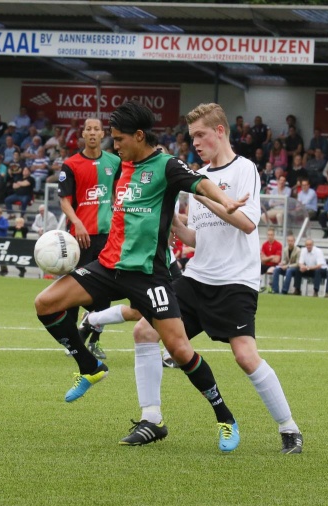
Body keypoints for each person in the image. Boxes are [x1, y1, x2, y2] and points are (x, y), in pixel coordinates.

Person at [33, 101, 247, 451]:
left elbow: (201, 183)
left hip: (149, 275)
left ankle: (225, 418)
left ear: (139, 136)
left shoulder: (166, 165)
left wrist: (226, 202)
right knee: (46, 304)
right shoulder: (121, 167)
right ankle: (89, 366)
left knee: (180, 349)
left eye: (118, 139)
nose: (113, 146)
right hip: (107, 266)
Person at [119, 102, 301, 453]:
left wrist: (207, 195)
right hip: (197, 277)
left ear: (220, 132)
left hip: (235, 281)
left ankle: (289, 428)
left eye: (201, 135)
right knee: (143, 331)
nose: (196, 143)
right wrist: (171, 216)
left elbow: (247, 223)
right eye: (192, 137)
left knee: (246, 356)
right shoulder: (196, 176)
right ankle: (151, 419)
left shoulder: (244, 169)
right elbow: (194, 239)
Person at [56, 117, 121, 358]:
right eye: (88, 129)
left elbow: (119, 193)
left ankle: (94, 340)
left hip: (106, 238)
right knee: (74, 289)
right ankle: (73, 340)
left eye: (96, 129)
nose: (92, 133)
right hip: (79, 237)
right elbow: (65, 201)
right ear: (82, 134)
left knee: (104, 292)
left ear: (103, 133)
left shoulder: (114, 162)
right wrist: (78, 223)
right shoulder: (71, 164)